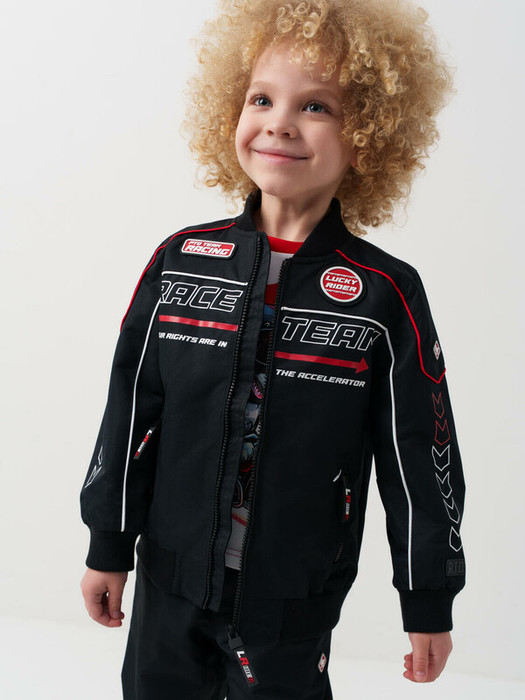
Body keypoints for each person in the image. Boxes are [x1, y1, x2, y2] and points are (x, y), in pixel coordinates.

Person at [80, 0, 466, 697]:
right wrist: (108, 544)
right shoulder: (181, 263)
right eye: (261, 98)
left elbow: (418, 459)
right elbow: (130, 413)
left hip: (291, 599)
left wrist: (427, 601)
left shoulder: (385, 294)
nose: (280, 122)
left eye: (316, 106)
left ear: (368, 137)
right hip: (169, 580)